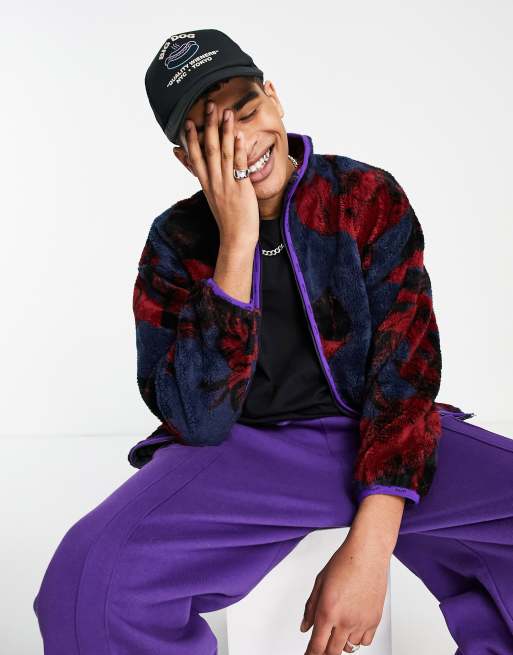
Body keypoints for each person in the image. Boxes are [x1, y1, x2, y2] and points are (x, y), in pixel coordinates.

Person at [33, 28, 513, 655]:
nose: (240, 140)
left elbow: (406, 376)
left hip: (377, 431)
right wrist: (236, 243)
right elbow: (196, 421)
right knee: (85, 580)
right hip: (246, 451)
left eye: (248, 110)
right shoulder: (175, 241)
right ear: (185, 158)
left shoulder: (365, 197)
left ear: (275, 98)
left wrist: (371, 547)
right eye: (210, 135)